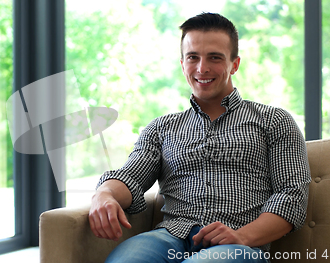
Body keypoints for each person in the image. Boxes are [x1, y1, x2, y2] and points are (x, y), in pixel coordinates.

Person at [88, 12, 311, 263]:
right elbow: (131, 176)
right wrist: (103, 193)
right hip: (168, 237)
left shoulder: (274, 121)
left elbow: (291, 195)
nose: (202, 68)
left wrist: (243, 237)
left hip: (234, 244)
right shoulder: (161, 128)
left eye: (215, 58)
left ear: (234, 64)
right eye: (193, 57)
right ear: (182, 63)